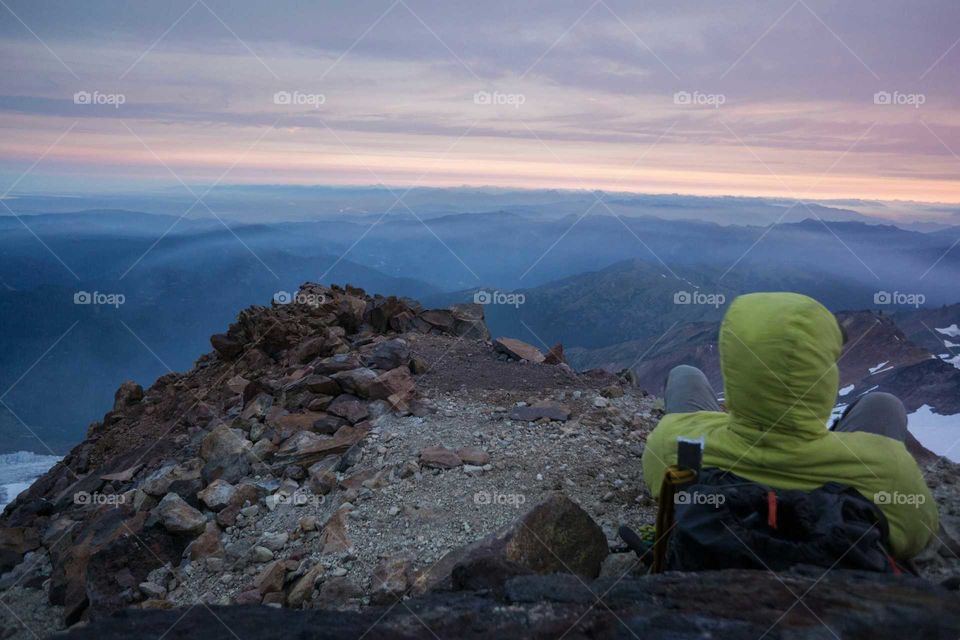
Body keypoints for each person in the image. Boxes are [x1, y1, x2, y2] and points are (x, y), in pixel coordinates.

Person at [641, 292, 938, 560]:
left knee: (685, 375)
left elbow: (658, 486)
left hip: (718, 461)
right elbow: (916, 538)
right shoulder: (889, 468)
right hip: (831, 585)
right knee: (883, 404)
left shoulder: (671, 444)